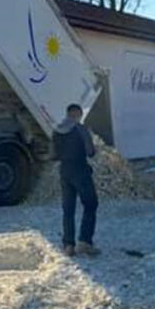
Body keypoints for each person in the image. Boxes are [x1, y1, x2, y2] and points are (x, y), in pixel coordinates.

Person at [53, 104, 99, 257]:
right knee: (91, 203)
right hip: (80, 170)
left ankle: (68, 246)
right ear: (78, 114)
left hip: (64, 171)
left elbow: (53, 154)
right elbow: (90, 152)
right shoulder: (80, 129)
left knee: (68, 209)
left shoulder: (57, 130)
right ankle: (85, 242)